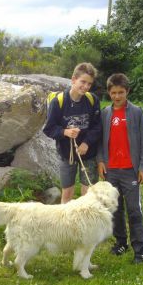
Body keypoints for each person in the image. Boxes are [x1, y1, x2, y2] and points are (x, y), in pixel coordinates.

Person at [97, 73, 143, 264]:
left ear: (127, 91)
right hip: (111, 170)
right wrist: (101, 161)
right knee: (115, 209)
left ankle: (140, 250)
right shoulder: (105, 114)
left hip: (130, 170)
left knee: (134, 210)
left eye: (121, 92)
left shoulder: (137, 112)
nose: (117, 96)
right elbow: (100, 141)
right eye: (113, 93)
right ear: (109, 93)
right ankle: (121, 242)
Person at [43, 62, 102, 203]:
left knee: (88, 195)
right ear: (73, 79)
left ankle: (85, 223)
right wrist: (65, 132)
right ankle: (66, 222)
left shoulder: (92, 100)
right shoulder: (58, 102)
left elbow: (98, 126)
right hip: (66, 154)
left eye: (89, 84)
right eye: (83, 82)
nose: (86, 87)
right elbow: (49, 128)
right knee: (67, 193)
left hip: (88, 154)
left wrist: (86, 143)